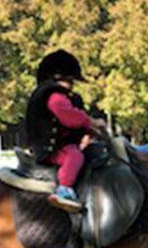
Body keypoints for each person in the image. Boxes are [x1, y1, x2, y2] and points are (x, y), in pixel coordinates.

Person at [24, 50, 105, 213]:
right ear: (58, 78)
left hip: (57, 145)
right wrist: (91, 122)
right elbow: (69, 117)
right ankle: (64, 189)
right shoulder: (55, 96)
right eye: (70, 81)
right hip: (52, 148)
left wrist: (90, 132)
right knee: (74, 156)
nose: (73, 86)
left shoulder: (54, 95)